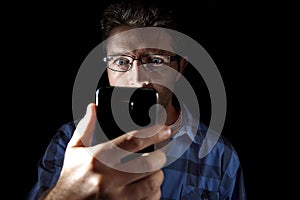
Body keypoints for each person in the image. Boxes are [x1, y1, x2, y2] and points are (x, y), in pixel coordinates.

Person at [27, 0, 247, 199]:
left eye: (155, 60)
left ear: (179, 67)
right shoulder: (70, 142)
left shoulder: (219, 156)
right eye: (121, 62)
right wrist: (67, 195)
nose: (137, 79)